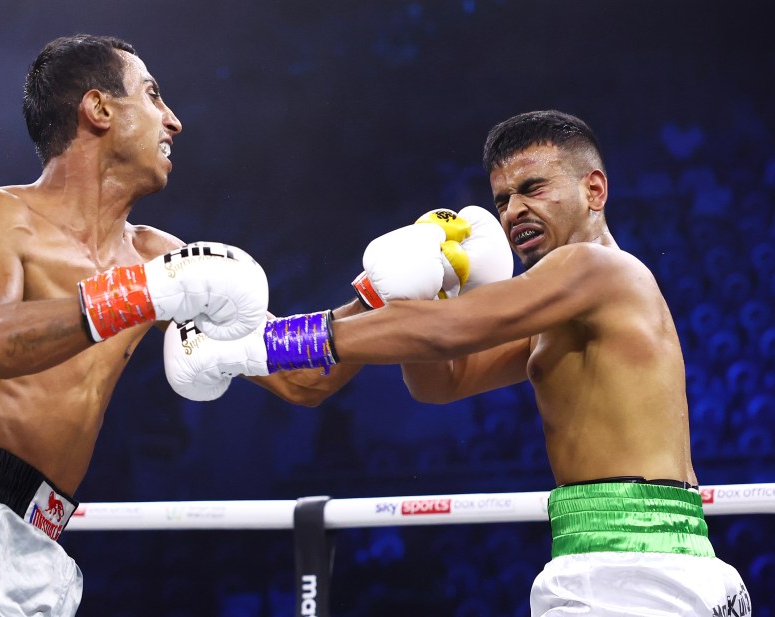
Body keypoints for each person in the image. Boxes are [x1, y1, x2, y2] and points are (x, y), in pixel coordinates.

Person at [165, 110, 752, 615]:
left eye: (534, 188)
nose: (513, 210)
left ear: (594, 190)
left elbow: (444, 335)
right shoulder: (557, 309)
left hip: (635, 562)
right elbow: (440, 380)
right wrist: (426, 287)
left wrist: (258, 346)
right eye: (502, 198)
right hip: (620, 555)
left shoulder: (596, 270)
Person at [0, 33, 282, 617]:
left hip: (39, 549)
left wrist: (391, 292)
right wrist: (142, 292)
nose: (174, 121)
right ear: (99, 108)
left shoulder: (157, 258)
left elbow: (300, 379)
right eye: (153, 95)